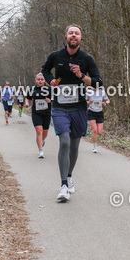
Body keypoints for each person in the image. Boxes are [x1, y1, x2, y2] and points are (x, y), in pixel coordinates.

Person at [42, 24, 101, 202]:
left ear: (81, 38)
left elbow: (98, 82)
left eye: (77, 33)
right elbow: (45, 70)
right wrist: (51, 80)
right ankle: (63, 186)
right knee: (65, 141)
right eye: (70, 33)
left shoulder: (86, 58)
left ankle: (68, 175)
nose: (73, 35)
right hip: (60, 106)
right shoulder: (56, 56)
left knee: (74, 146)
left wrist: (82, 76)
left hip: (79, 108)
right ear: (66, 37)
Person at [27, 73, 51, 158]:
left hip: (46, 114)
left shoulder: (49, 89)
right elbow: (28, 98)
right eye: (38, 79)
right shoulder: (32, 89)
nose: (40, 81)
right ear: (36, 80)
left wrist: (50, 101)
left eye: (42, 79)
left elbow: (55, 100)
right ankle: (41, 151)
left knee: (45, 133)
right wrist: (27, 103)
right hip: (36, 113)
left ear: (44, 80)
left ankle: (42, 139)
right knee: (39, 130)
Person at [86, 85, 109, 153]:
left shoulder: (102, 92)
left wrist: (105, 103)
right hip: (91, 112)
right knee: (94, 130)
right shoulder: (89, 92)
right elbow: (84, 101)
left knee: (99, 132)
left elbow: (108, 100)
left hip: (99, 113)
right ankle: (95, 147)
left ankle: (94, 140)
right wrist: (88, 102)